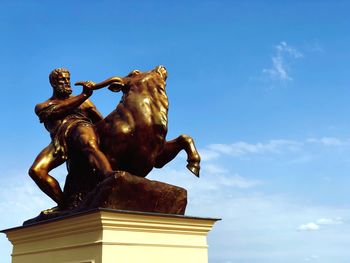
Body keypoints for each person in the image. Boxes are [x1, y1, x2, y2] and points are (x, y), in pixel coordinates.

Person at [28, 68, 113, 210]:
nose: (67, 83)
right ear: (53, 83)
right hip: (60, 141)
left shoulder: (85, 103)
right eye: (62, 80)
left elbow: (102, 122)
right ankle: (64, 205)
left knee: (88, 143)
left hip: (81, 128)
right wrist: (84, 95)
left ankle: (111, 178)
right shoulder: (43, 106)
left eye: (68, 79)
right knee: (36, 171)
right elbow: (57, 111)